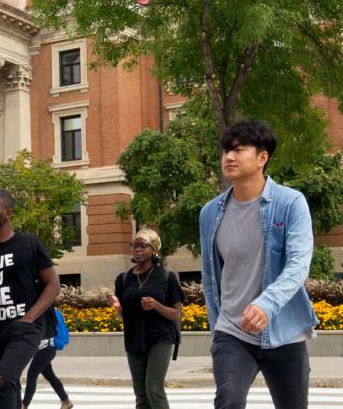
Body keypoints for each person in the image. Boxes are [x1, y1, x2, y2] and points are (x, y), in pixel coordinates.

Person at [198, 119, 318, 409]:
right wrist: (218, 330)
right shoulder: (210, 212)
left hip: (284, 332)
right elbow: (210, 276)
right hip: (233, 332)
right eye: (226, 150)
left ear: (262, 157)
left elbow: (298, 264)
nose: (228, 157)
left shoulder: (290, 203)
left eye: (238, 150)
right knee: (229, 403)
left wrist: (267, 304)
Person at [0, 190, 61, 409]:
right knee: (5, 386)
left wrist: (29, 318)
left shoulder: (28, 243)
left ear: (7, 213)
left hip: (26, 328)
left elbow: (53, 285)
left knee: (4, 378)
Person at [107, 228, 183, 409]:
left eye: (142, 246)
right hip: (134, 338)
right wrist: (118, 307)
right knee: (140, 394)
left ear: (154, 250)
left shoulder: (166, 277)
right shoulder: (123, 279)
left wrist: (156, 305)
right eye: (134, 246)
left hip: (160, 338)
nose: (137, 250)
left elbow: (176, 314)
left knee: (154, 389)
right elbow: (125, 316)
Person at [21, 318, 73, 409]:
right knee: (50, 376)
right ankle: (66, 401)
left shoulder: (43, 311)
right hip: (45, 349)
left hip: (46, 349)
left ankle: (24, 405)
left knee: (32, 375)